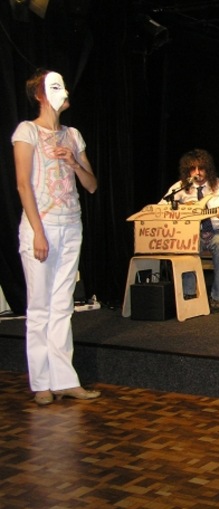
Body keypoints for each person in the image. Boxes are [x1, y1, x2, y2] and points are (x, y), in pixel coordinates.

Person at [12, 69, 100, 405]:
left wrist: (75, 162)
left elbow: (91, 186)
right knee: (40, 306)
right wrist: (37, 232)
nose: (65, 92)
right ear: (41, 94)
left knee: (63, 305)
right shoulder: (27, 131)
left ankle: (64, 379)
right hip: (42, 226)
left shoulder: (73, 135)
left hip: (71, 225)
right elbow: (23, 184)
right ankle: (41, 383)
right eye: (56, 86)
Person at [160, 149, 219, 308]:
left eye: (201, 168)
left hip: (217, 232)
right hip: (191, 233)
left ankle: (218, 297)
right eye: (193, 169)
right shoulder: (180, 187)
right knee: (186, 249)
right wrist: (179, 213)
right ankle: (189, 293)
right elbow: (161, 207)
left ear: (208, 168)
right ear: (187, 171)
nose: (197, 172)